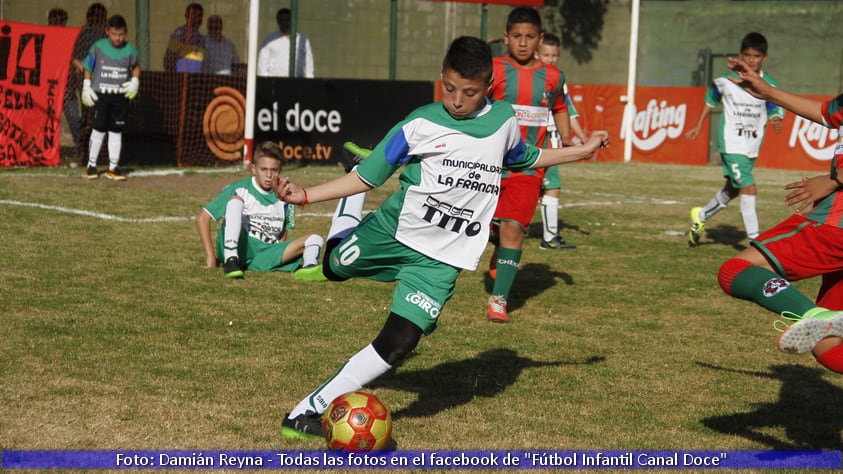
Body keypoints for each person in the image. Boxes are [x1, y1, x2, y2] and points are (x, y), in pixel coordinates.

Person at [273, 35, 609, 438]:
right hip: (394, 232)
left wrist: (581, 150)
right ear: (441, 79)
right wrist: (305, 196)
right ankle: (346, 223)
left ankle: (307, 412)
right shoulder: (420, 122)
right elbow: (367, 178)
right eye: (449, 89)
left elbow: (524, 158)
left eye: (469, 93)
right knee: (331, 265)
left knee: (400, 342)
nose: (457, 100)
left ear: (487, 88)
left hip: (440, 261)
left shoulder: (503, 121)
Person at [718, 55, 843, 375]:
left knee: (735, 269)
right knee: (828, 346)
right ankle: (819, 319)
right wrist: (767, 91)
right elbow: (827, 113)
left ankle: (812, 316)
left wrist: (833, 179)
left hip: (835, 228)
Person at [485, 7, 572, 322]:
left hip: (529, 167)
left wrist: (568, 138)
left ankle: (499, 300)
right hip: (488, 164)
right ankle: (496, 242)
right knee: (489, 228)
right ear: (506, 37)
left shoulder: (552, 76)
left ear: (541, 39)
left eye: (530, 37)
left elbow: (559, 107)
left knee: (514, 229)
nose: (523, 43)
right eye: (517, 36)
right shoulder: (492, 69)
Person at [685, 32, 784, 246]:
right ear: (740, 55)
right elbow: (710, 101)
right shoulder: (724, 82)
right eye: (747, 55)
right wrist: (697, 126)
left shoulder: (768, 86)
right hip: (731, 144)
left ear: (764, 58)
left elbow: (774, 107)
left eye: (756, 56)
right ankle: (756, 243)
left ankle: (700, 217)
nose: (751, 60)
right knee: (749, 187)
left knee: (732, 189)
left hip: (752, 145)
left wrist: (776, 118)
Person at [196, 141, 325, 279]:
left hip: (265, 253)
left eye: (274, 170)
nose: (269, 175)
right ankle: (231, 259)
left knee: (315, 239)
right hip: (240, 246)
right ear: (253, 168)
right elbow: (202, 218)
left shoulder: (287, 197)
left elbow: (283, 233)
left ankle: (310, 268)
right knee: (235, 201)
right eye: (264, 169)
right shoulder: (239, 188)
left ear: (280, 170)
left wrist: (277, 254)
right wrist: (211, 257)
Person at [537, 33, 587, 251]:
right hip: (541, 137)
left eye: (554, 55)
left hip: (552, 137)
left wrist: (581, 136)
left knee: (549, 185)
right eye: (546, 54)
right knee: (550, 187)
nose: (550, 59)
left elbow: (566, 111)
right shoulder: (534, 77)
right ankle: (549, 238)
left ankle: (549, 235)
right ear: (537, 54)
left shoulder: (558, 79)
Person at [81, 14, 140, 181]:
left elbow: (135, 67)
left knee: (116, 131)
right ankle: (91, 166)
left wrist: (135, 81)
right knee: (98, 128)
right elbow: (88, 67)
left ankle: (112, 168)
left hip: (120, 97)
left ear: (126, 33)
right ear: (107, 31)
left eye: (120, 34)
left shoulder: (130, 50)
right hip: (101, 95)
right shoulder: (97, 47)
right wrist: (86, 86)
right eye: (114, 34)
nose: (117, 38)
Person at [67, 3, 107, 166]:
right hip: (87, 81)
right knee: (87, 117)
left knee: (100, 116)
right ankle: (83, 151)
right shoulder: (85, 34)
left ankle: (99, 152)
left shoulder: (106, 36)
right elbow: (74, 56)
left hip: (103, 80)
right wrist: (85, 69)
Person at [257, 8, 314, 78]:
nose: (285, 23)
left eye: (287, 20)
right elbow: (262, 66)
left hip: (298, 82)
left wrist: (309, 81)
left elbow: (308, 65)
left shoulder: (303, 40)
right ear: (278, 21)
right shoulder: (269, 40)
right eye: (282, 20)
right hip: (276, 82)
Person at [163, 3, 205, 73]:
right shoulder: (179, 34)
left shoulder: (201, 38)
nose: (197, 18)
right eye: (193, 15)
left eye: (200, 16)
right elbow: (168, 59)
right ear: (186, 16)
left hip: (196, 78)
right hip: (180, 78)